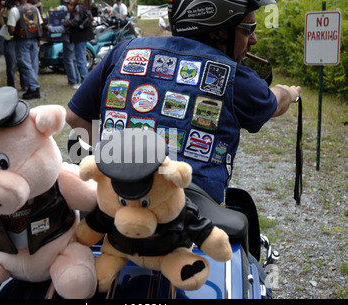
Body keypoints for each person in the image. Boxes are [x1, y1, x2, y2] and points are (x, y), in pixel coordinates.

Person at [66, 0, 301, 206]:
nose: (254, 40)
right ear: (217, 32)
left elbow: (75, 116)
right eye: (248, 29)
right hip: (195, 213)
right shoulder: (233, 77)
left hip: (116, 202)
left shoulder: (123, 52)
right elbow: (273, 104)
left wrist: (117, 159)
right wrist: (288, 92)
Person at [7, 0, 42, 99]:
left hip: (22, 40)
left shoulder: (15, 10)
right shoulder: (35, 8)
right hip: (34, 38)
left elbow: (12, 29)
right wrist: (39, 39)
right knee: (34, 64)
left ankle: (34, 88)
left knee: (25, 64)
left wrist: (10, 32)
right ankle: (32, 88)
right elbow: (39, 26)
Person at [62, 0, 94, 87]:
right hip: (79, 37)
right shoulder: (78, 7)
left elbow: (76, 21)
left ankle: (84, 83)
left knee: (80, 60)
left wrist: (65, 22)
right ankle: (83, 81)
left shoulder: (78, 7)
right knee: (79, 59)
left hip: (80, 36)